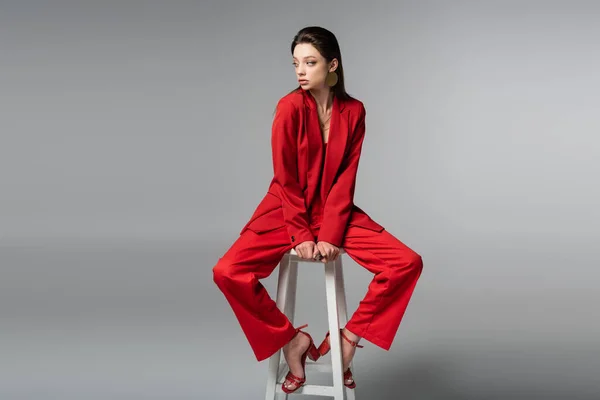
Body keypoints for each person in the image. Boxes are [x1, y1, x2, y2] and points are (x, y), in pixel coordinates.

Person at [212, 26, 423, 393]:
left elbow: (345, 178)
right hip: (285, 210)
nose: (301, 71)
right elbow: (286, 178)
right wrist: (302, 234)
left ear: (333, 64)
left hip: (335, 211)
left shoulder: (354, 111)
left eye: (310, 62)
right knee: (227, 271)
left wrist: (329, 234)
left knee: (406, 262)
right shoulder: (289, 107)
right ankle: (291, 340)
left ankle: (348, 340)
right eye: (296, 63)